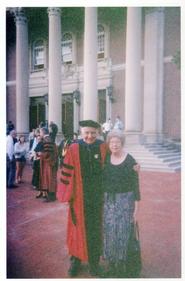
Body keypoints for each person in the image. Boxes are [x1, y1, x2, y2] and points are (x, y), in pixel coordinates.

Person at [57, 120, 107, 277]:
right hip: (79, 197)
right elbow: (66, 172)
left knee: (95, 230)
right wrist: (67, 195)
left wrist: (133, 166)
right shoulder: (73, 148)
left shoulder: (103, 147)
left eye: (93, 133)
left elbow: (115, 163)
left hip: (98, 197)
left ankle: (94, 263)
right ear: (81, 132)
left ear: (98, 133)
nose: (90, 136)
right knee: (77, 229)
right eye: (87, 132)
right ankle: (75, 260)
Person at [102, 129, 140, 278]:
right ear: (108, 144)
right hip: (109, 202)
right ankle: (111, 265)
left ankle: (121, 267)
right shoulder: (106, 158)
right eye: (112, 142)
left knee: (123, 233)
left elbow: (136, 186)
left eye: (117, 142)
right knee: (110, 232)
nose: (115, 144)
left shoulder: (130, 160)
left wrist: (136, 210)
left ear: (122, 143)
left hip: (125, 202)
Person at [38, 127, 58, 202]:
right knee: (50, 179)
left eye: (40, 132)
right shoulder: (49, 139)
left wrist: (40, 154)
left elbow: (47, 153)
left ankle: (51, 197)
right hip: (51, 162)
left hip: (49, 163)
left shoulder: (47, 140)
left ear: (43, 132)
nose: (40, 134)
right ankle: (51, 196)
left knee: (49, 179)